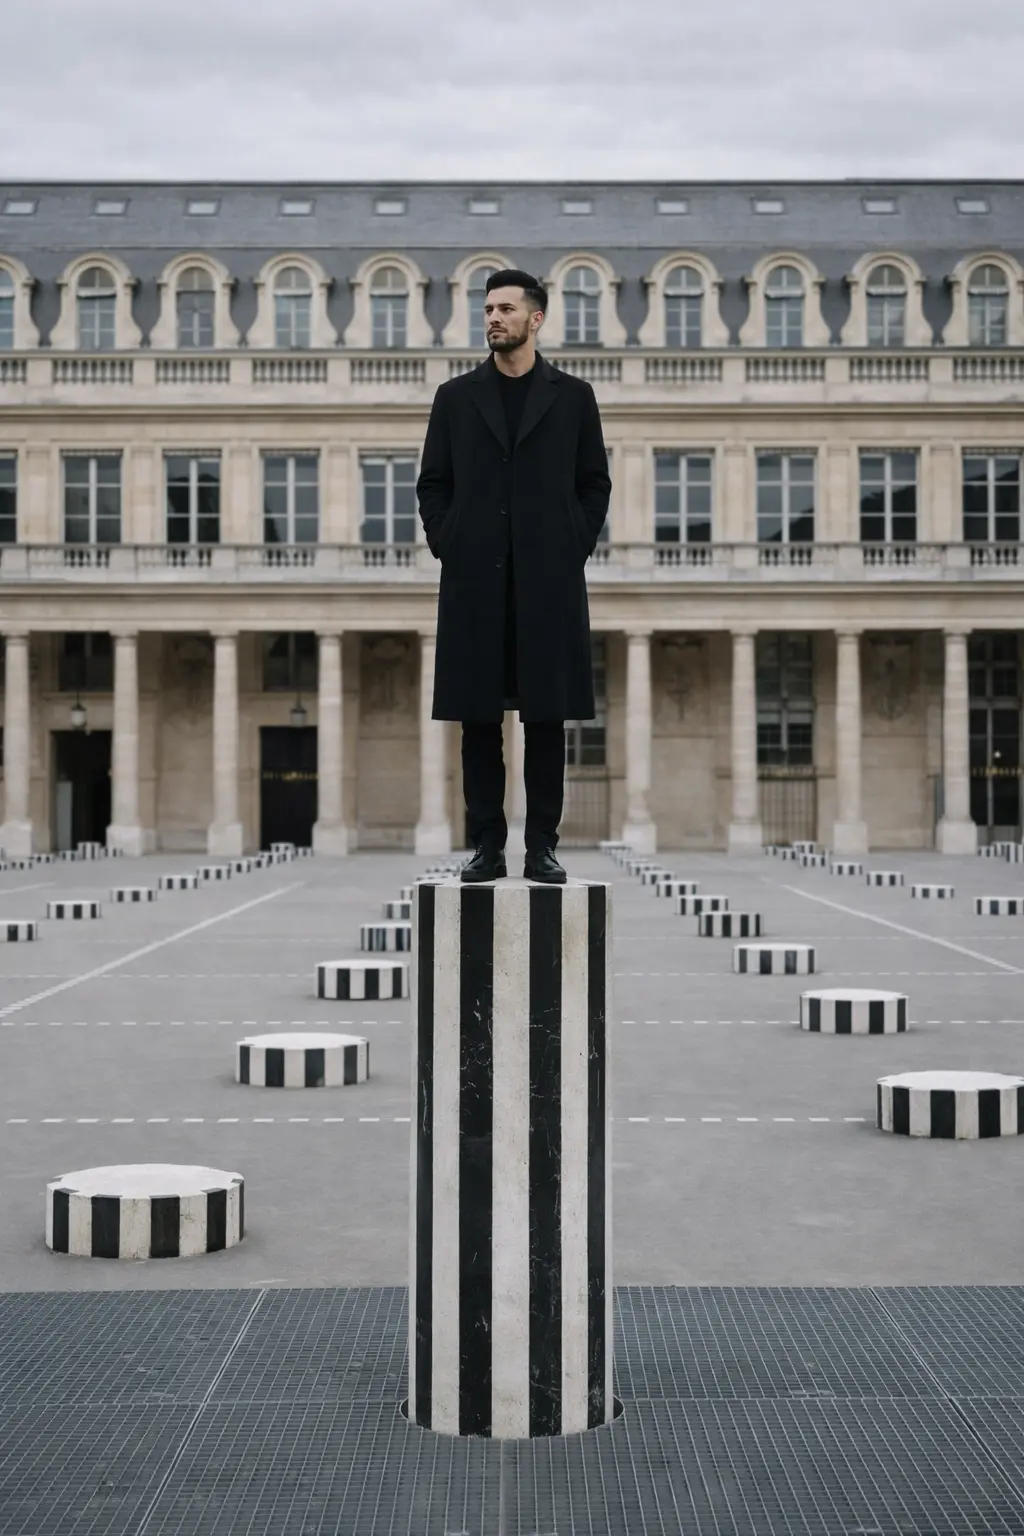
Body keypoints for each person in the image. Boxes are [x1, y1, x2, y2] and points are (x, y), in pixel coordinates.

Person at [416, 268, 612, 883]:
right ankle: (487, 847)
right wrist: (448, 540)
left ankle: (542, 848)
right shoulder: (455, 397)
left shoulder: (573, 397)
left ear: (537, 318)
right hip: (475, 578)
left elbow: (594, 483)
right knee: (479, 719)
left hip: (547, 580)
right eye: (488, 309)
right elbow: (433, 483)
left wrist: (572, 543)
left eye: (505, 308)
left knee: (545, 719)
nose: (493, 318)